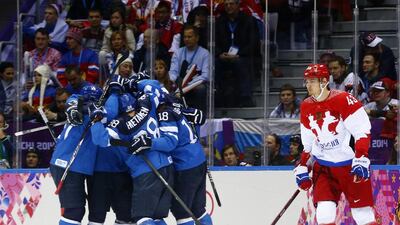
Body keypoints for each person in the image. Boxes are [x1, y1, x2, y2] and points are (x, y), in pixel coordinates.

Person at [294, 64, 377, 225]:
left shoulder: (343, 99)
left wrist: (361, 157)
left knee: (362, 214)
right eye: (307, 81)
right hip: (324, 168)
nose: (308, 85)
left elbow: (362, 131)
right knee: (324, 214)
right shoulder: (306, 106)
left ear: (324, 81)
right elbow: (308, 143)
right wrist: (304, 166)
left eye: (312, 81)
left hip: (350, 166)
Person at [91, 86, 173, 225]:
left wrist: (97, 120)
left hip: (146, 171)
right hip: (167, 166)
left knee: (142, 218)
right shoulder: (147, 105)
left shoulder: (121, 123)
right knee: (157, 218)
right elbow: (156, 88)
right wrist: (134, 83)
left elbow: (100, 139)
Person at [146, 96, 213, 225]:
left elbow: (169, 142)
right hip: (199, 161)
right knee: (198, 210)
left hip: (186, 166)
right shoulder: (178, 110)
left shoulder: (165, 113)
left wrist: (149, 142)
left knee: (182, 212)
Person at [49, 87, 103, 225]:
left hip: (75, 165)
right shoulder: (78, 110)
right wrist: (75, 108)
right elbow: (73, 102)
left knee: (77, 209)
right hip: (66, 163)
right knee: (74, 210)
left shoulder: (95, 113)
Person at [215, 0, 260, 107]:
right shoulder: (220, 21)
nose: (228, 6)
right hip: (224, 56)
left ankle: (245, 97)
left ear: (238, 5)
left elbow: (253, 43)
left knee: (241, 63)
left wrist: (239, 54)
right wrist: (220, 54)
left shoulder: (249, 20)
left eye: (231, 4)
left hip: (243, 56)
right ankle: (218, 96)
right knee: (214, 63)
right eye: (226, 4)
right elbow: (214, 42)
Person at [169, 25, 209, 112]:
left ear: (197, 38)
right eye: (185, 37)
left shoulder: (205, 53)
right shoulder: (178, 53)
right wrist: (176, 82)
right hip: (179, 84)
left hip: (196, 85)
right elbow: (173, 72)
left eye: (189, 37)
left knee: (201, 89)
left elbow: (206, 76)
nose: (186, 39)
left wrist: (189, 84)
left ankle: (200, 115)